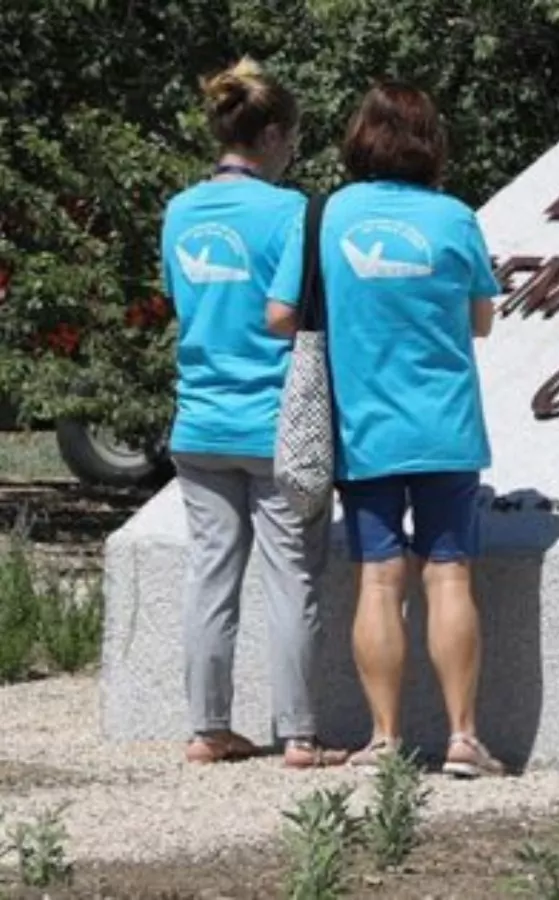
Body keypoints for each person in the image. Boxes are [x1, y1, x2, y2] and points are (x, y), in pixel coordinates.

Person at [267, 80, 504, 777]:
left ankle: (383, 739)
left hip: (365, 425)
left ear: (361, 138)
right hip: (447, 426)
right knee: (449, 574)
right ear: (432, 143)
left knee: (378, 578)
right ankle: (463, 738)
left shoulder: (329, 215)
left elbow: (281, 315)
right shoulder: (456, 217)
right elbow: (481, 319)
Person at [160, 57, 347, 768]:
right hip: (273, 422)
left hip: (198, 420)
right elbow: (285, 315)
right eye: (293, 137)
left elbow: (186, 304)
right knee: (292, 578)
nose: (294, 150)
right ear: (270, 135)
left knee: (210, 577)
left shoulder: (179, 210)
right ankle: (299, 734)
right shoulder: (293, 212)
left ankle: (207, 729)